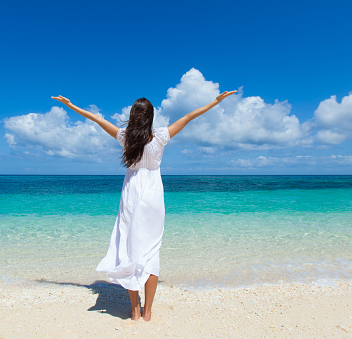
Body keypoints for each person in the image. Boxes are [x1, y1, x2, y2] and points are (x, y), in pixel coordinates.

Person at [51, 89, 236, 321]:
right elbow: (189, 116)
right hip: (153, 197)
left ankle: (135, 311)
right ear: (151, 116)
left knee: (130, 249)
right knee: (151, 252)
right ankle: (147, 312)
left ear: (132, 115)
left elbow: (97, 119)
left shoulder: (125, 136)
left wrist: (71, 105)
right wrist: (216, 102)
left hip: (131, 194)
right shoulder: (160, 136)